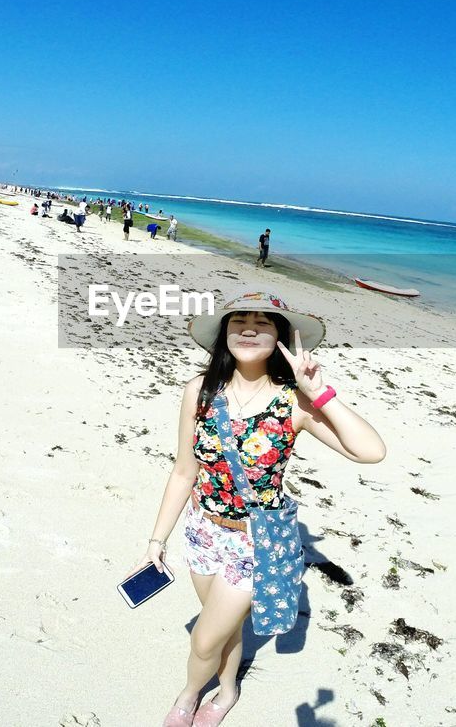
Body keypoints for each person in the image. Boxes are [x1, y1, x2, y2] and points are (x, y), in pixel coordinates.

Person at [138, 292, 385, 726]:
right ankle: (229, 689)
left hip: (256, 542)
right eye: (239, 321)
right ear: (224, 334)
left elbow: (370, 451)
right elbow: (183, 471)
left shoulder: (294, 402)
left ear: (282, 339)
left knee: (203, 639)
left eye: (263, 323)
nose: (249, 329)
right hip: (202, 531)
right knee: (227, 628)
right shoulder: (199, 391)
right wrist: (157, 540)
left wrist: (319, 392)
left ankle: (189, 695)